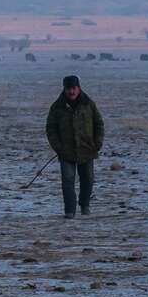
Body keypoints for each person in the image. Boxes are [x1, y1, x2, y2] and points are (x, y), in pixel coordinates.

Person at [44, 75, 105, 217]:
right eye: (68, 89)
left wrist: (97, 143)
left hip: (87, 149)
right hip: (66, 151)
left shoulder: (89, 104)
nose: (71, 91)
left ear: (79, 88)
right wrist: (58, 147)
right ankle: (70, 211)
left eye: (73, 88)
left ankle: (84, 205)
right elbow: (50, 128)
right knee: (67, 181)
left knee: (88, 179)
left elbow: (99, 124)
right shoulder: (57, 106)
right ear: (64, 89)